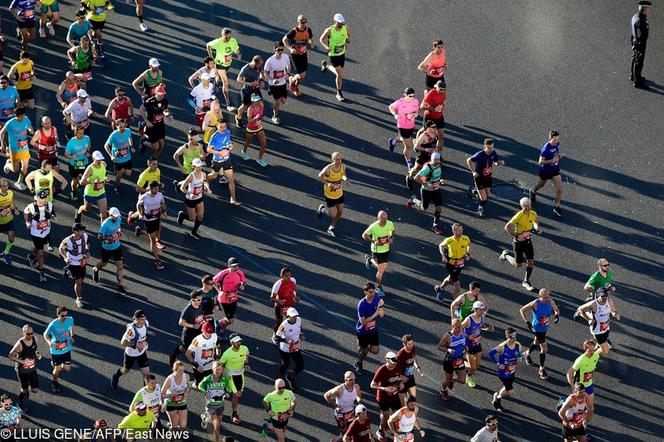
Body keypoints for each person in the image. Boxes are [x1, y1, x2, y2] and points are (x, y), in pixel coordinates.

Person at [499, 196, 541, 292]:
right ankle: (506, 255)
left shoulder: (533, 213)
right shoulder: (518, 216)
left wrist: (537, 228)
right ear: (522, 206)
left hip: (528, 241)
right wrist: (516, 236)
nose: (528, 208)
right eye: (525, 206)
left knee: (530, 262)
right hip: (518, 243)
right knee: (518, 264)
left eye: (529, 205)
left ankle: (526, 281)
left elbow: (535, 222)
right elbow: (507, 227)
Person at [519, 288, 560, 379]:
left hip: (545, 328)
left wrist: (557, 315)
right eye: (544, 297)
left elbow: (556, 309)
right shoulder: (535, 303)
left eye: (548, 297)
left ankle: (526, 354)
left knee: (536, 342)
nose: (547, 299)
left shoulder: (550, 300)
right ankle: (541, 369)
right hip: (537, 328)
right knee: (544, 349)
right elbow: (522, 310)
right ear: (540, 296)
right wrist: (527, 322)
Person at [128, 181, 167, 269]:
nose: (157, 190)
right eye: (155, 189)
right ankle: (157, 260)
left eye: (157, 189)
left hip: (157, 218)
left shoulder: (159, 195)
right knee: (153, 239)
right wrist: (141, 214)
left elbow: (162, 203)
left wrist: (164, 211)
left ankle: (140, 232)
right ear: (150, 189)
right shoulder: (144, 197)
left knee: (155, 235)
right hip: (148, 220)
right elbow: (138, 205)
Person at [406, 151, 444, 234]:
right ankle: (414, 200)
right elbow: (416, 177)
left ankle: (435, 225)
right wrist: (425, 184)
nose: (437, 162)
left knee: (439, 208)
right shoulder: (427, 168)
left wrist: (440, 181)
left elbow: (437, 177)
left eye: (438, 160)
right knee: (424, 208)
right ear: (431, 159)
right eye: (435, 160)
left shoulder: (439, 165)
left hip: (436, 189)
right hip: (426, 190)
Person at [111, 310, 150, 390]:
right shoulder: (131, 330)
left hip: (141, 353)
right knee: (125, 370)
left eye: (144, 318)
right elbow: (123, 342)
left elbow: (143, 335)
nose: (144, 320)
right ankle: (116, 375)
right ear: (136, 319)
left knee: (146, 374)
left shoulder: (146, 323)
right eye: (142, 319)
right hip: (130, 354)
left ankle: (145, 393)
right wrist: (135, 345)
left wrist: (144, 343)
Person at [575, 287, 620, 356]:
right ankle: (591, 356)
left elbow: (614, 310)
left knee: (604, 339)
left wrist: (615, 314)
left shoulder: (610, 301)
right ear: (598, 296)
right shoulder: (593, 304)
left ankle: (599, 345)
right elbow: (580, 309)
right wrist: (589, 319)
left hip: (606, 327)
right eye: (602, 296)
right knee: (605, 351)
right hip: (597, 330)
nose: (604, 298)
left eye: (606, 296)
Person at [466, 138, 505, 217]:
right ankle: (479, 210)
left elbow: (495, 162)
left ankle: (473, 191)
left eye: (492, 147)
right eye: (489, 148)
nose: (491, 149)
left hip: (488, 176)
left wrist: (500, 163)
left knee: (488, 196)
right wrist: (473, 171)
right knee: (483, 198)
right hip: (479, 178)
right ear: (485, 146)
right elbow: (468, 160)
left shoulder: (493, 153)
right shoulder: (480, 155)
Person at [92, 206, 126, 294]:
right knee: (103, 263)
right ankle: (96, 269)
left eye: (117, 215)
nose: (116, 217)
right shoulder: (105, 224)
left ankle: (121, 285)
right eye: (114, 216)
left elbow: (118, 227)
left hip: (117, 246)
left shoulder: (118, 219)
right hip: (107, 248)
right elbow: (99, 236)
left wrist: (119, 232)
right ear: (110, 215)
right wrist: (107, 239)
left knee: (120, 266)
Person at [488, 328, 524, 412]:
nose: (514, 338)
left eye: (515, 336)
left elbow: (519, 354)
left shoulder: (518, 345)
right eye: (512, 337)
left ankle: (497, 395)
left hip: (512, 371)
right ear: (507, 336)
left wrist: (520, 358)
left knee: (507, 388)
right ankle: (497, 398)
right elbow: (491, 353)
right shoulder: (502, 347)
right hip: (504, 373)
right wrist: (498, 364)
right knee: (510, 392)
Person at [529, 131, 563, 217]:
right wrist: (552, 160)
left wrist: (559, 156)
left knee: (559, 189)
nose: (556, 141)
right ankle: (533, 191)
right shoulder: (545, 149)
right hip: (545, 171)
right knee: (541, 184)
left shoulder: (557, 144)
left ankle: (557, 206)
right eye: (554, 140)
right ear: (550, 138)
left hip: (555, 170)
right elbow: (540, 161)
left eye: (557, 139)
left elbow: (556, 152)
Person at [566, 340, 601, 425]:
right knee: (578, 411)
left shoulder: (595, 355)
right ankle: (574, 425)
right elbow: (569, 373)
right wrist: (573, 387)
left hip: (589, 386)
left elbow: (603, 349)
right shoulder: (581, 360)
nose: (591, 352)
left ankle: (584, 427)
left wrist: (602, 341)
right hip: (580, 389)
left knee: (590, 409)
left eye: (593, 350)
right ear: (585, 349)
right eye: (589, 350)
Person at [370, 352, 403, 440]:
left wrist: (397, 386)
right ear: (387, 360)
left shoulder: (398, 366)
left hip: (394, 396)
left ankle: (395, 428)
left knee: (398, 413)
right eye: (393, 361)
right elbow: (372, 385)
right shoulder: (381, 370)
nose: (395, 363)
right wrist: (385, 388)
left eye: (395, 361)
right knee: (386, 416)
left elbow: (399, 379)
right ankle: (380, 431)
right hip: (383, 397)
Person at [206, 120, 240, 205]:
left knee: (231, 179)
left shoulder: (228, 132)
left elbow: (229, 142)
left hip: (227, 160)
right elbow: (208, 149)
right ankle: (204, 180)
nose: (223, 128)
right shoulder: (214, 136)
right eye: (220, 127)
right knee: (214, 176)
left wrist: (231, 145)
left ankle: (233, 199)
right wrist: (219, 152)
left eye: (224, 126)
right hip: (217, 160)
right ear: (217, 126)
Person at [23, 190, 54, 283]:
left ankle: (31, 256)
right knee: (41, 253)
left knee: (37, 248)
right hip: (36, 233)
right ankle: (42, 272)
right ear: (36, 198)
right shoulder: (31, 206)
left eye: (44, 198)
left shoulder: (49, 204)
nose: (43, 200)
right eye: (41, 198)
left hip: (46, 231)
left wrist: (52, 216)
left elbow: (52, 213)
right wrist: (27, 222)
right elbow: (25, 212)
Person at [9, 324, 42, 411]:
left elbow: (35, 350)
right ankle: (19, 402)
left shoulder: (35, 338)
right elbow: (10, 356)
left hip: (32, 368)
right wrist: (23, 362)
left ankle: (27, 388)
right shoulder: (20, 343)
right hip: (22, 370)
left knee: (35, 390)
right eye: (28, 334)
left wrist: (37, 354)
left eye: (31, 333)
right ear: (24, 333)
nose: (30, 335)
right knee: (24, 390)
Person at [362, 211, 395, 297]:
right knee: (381, 269)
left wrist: (391, 237)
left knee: (383, 268)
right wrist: (373, 241)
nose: (385, 220)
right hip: (376, 250)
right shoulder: (373, 226)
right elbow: (364, 235)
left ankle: (369, 259)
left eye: (386, 218)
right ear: (378, 218)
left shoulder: (389, 223)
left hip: (386, 249)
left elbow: (392, 230)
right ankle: (379, 287)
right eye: (383, 219)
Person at [206, 28, 241, 111]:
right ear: (222, 36)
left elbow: (236, 48)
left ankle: (214, 84)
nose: (228, 39)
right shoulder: (218, 42)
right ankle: (228, 103)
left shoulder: (233, 41)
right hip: (220, 64)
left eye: (229, 37)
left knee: (218, 79)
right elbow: (208, 45)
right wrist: (211, 57)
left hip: (228, 64)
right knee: (225, 82)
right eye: (226, 38)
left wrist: (238, 54)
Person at [219, 333, 250, 425]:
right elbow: (220, 364)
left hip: (240, 374)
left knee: (238, 394)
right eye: (236, 342)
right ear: (232, 343)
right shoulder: (227, 353)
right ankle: (234, 413)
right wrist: (220, 376)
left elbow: (246, 355)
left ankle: (226, 389)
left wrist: (246, 364)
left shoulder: (244, 348)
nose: (239, 343)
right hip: (231, 374)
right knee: (236, 393)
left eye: (239, 341)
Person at [354, 282, 384, 376]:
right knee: (365, 351)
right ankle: (359, 363)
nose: (373, 294)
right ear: (365, 292)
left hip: (373, 330)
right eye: (370, 292)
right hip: (363, 331)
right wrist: (375, 314)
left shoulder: (376, 298)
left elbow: (382, 303)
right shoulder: (361, 304)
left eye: (374, 292)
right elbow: (362, 322)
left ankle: (362, 347)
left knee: (375, 351)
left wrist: (380, 307)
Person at [434, 223, 471, 300]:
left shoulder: (465, 238)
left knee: (450, 278)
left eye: (461, 230)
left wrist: (467, 254)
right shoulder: (449, 240)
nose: (460, 232)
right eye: (458, 231)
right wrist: (443, 256)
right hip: (451, 263)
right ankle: (456, 304)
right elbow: (441, 245)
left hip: (461, 263)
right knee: (457, 285)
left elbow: (468, 246)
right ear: (454, 231)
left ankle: (440, 288)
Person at [461, 302, 494, 388]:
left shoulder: (482, 316)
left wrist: (487, 328)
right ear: (475, 310)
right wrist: (468, 336)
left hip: (477, 343)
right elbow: (458, 329)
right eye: (480, 310)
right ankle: (460, 364)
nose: (482, 311)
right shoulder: (469, 319)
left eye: (483, 310)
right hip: (469, 345)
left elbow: (480, 326)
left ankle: (467, 373)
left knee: (476, 366)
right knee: (473, 368)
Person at [43, 306, 74, 393]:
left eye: (66, 315)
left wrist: (71, 336)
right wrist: (49, 343)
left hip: (66, 348)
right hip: (56, 351)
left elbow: (71, 327)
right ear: (58, 315)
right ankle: (55, 382)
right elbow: (45, 334)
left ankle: (57, 365)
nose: (65, 317)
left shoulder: (70, 319)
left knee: (67, 369)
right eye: (63, 316)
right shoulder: (53, 324)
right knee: (58, 369)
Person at [324, 371, 362, 442]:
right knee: (345, 433)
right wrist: (336, 405)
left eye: (354, 379)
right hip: (341, 414)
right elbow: (326, 395)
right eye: (350, 380)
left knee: (352, 429)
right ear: (345, 380)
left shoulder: (356, 386)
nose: (353, 382)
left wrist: (359, 401)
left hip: (351, 412)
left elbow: (358, 395)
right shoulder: (339, 389)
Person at [316, 151, 349, 237]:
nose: (339, 161)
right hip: (329, 195)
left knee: (340, 213)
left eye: (340, 159)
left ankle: (331, 227)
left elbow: (343, 174)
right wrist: (328, 184)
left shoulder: (343, 166)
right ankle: (323, 210)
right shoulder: (328, 169)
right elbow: (319, 176)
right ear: (333, 160)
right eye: (337, 159)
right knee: (333, 215)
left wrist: (345, 179)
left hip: (339, 194)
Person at [169, 290, 205, 366]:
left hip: (198, 329)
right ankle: (173, 355)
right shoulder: (188, 309)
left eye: (201, 299)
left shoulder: (200, 304)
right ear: (193, 300)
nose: (200, 301)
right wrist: (193, 326)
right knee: (184, 348)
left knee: (198, 345)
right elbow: (180, 322)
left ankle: (197, 362)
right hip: (189, 332)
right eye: (198, 300)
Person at [319, 13, 350, 102]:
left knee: (339, 74)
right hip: (333, 54)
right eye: (339, 23)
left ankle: (327, 66)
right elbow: (321, 39)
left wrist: (347, 42)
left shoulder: (345, 27)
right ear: (335, 21)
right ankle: (338, 93)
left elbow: (348, 35)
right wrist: (326, 47)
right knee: (340, 74)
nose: (341, 24)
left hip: (342, 53)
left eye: (342, 23)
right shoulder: (329, 30)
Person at [1, 107, 33, 190]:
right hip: (14, 149)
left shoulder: (26, 119)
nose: (22, 118)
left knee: (25, 166)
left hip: (24, 147)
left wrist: (30, 129)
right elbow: (1, 133)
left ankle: (19, 182)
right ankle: (8, 165)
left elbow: (29, 125)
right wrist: (2, 145)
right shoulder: (10, 123)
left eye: (23, 115)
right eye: (20, 116)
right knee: (15, 170)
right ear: (15, 116)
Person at [198, 361, 232, 441]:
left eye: (220, 369)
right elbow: (200, 386)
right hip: (210, 405)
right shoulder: (208, 379)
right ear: (213, 369)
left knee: (217, 424)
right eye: (216, 369)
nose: (218, 371)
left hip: (220, 404)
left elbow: (229, 389)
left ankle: (206, 418)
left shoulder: (225, 379)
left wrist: (227, 392)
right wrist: (206, 393)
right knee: (217, 426)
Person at [177, 158, 210, 239]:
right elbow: (182, 188)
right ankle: (182, 216)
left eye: (201, 166)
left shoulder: (203, 174)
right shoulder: (191, 176)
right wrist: (190, 193)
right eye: (198, 166)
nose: (200, 168)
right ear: (193, 166)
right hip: (190, 199)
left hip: (199, 197)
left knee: (200, 217)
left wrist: (208, 188)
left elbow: (205, 181)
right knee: (192, 219)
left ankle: (194, 232)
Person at [59, 223, 90, 308]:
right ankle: (79, 298)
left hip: (82, 261)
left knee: (82, 279)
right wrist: (65, 258)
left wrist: (87, 251)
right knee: (79, 282)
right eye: (81, 230)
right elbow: (61, 249)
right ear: (76, 231)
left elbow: (88, 243)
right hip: (73, 263)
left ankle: (67, 270)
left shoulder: (85, 236)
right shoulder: (68, 240)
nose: (83, 231)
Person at [387, 88, 419, 169]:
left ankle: (393, 142)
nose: (411, 97)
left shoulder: (415, 101)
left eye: (413, 96)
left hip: (411, 125)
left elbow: (416, 111)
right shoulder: (400, 102)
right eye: (409, 96)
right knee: (409, 146)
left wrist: (415, 114)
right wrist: (395, 115)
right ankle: (409, 161)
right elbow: (390, 106)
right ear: (405, 95)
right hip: (402, 126)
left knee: (402, 139)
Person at [283, 15, 314, 96]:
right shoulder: (294, 31)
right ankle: (293, 83)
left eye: (304, 22)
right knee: (301, 74)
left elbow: (311, 39)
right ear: (298, 22)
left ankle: (293, 83)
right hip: (296, 55)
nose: (303, 23)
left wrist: (310, 44)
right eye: (301, 22)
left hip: (304, 54)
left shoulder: (308, 30)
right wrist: (290, 49)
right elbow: (284, 39)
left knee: (303, 76)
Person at [436, 319, 467, 400]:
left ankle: (452, 380)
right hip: (450, 360)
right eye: (458, 327)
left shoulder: (462, 333)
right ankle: (443, 390)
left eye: (461, 326)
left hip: (459, 360)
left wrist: (465, 348)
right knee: (447, 380)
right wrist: (448, 350)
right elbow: (439, 346)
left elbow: (463, 343)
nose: (460, 328)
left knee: (463, 380)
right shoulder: (448, 336)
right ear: (453, 326)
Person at [275, 307, 304, 391]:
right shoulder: (284, 325)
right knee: (285, 365)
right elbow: (276, 338)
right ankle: (279, 379)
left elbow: (299, 327)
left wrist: (301, 333)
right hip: (285, 349)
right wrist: (286, 340)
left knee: (300, 366)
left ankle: (290, 377)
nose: (294, 317)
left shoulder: (299, 320)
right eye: (292, 316)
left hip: (295, 347)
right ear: (288, 316)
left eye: (295, 316)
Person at [214, 257, 247, 330]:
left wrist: (242, 284)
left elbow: (243, 281)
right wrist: (219, 291)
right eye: (234, 266)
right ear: (229, 266)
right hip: (224, 299)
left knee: (230, 319)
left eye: (237, 265)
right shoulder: (223, 273)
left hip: (234, 297)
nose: (236, 267)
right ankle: (219, 327)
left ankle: (219, 325)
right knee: (231, 320)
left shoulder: (239, 272)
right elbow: (213, 281)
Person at [138, 84, 171, 157]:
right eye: (159, 94)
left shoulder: (165, 101)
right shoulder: (150, 101)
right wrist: (147, 121)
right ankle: (144, 142)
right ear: (155, 93)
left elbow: (165, 110)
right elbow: (140, 109)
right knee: (156, 147)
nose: (162, 96)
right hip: (151, 126)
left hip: (160, 125)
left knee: (161, 145)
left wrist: (168, 115)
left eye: (163, 94)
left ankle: (154, 159)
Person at [76, 150, 108, 223]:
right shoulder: (90, 169)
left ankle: (102, 234)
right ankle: (78, 212)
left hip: (101, 193)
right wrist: (93, 181)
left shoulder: (104, 164)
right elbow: (81, 182)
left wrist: (105, 178)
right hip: (90, 194)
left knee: (104, 215)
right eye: (97, 160)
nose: (99, 161)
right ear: (93, 159)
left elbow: (103, 172)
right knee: (86, 209)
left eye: (100, 159)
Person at [263, 41, 291, 125]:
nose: (280, 52)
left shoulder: (285, 57)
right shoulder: (270, 60)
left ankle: (270, 91)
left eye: (282, 50)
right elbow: (265, 72)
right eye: (278, 50)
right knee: (278, 102)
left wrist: (288, 74)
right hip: (274, 84)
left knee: (284, 101)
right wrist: (272, 79)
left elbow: (289, 66)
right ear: (274, 50)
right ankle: (275, 116)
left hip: (282, 83)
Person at [186, 321, 220, 389]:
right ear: (202, 330)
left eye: (210, 332)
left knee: (210, 383)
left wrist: (218, 353)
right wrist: (196, 366)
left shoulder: (214, 336)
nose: (208, 334)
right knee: (198, 386)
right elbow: (188, 353)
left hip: (211, 366)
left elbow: (218, 345)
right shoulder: (197, 340)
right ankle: (194, 384)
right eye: (206, 332)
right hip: (199, 367)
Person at [104, 118, 134, 194]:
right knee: (119, 174)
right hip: (117, 159)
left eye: (123, 126)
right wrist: (111, 156)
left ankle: (119, 171)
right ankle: (117, 185)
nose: (122, 129)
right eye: (120, 127)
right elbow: (106, 146)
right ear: (116, 126)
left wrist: (131, 146)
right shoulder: (113, 135)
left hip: (127, 156)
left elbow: (130, 138)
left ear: (125, 125)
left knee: (129, 173)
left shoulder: (128, 131)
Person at [406, 120, 438, 188]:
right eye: (433, 127)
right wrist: (426, 149)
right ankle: (409, 178)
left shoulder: (435, 133)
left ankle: (429, 183)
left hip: (431, 156)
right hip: (423, 155)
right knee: (416, 169)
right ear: (428, 128)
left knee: (431, 169)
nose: (435, 128)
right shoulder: (424, 136)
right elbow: (416, 146)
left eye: (435, 126)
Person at [81, 0, 113, 67]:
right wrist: (90, 10)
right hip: (92, 19)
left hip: (101, 19)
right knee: (100, 38)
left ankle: (91, 40)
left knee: (95, 35)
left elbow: (107, 2)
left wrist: (106, 6)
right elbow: (82, 2)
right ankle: (102, 57)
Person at [63, 125, 90, 199]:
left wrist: (87, 152)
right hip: (74, 164)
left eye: (83, 133)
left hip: (84, 162)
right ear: (75, 133)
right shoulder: (71, 142)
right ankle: (73, 192)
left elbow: (88, 145)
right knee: (75, 179)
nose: (82, 135)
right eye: (80, 133)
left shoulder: (87, 138)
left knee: (86, 178)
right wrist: (72, 157)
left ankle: (81, 186)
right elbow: (65, 154)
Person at [235, 55, 263, 127]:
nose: (260, 66)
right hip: (247, 90)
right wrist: (249, 83)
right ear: (255, 62)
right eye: (259, 64)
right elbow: (238, 79)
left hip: (256, 89)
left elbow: (260, 73)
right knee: (245, 106)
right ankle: (238, 118)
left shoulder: (258, 66)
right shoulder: (245, 69)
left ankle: (256, 120)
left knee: (260, 103)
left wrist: (261, 81)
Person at [161, 361, 190, 429]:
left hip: (182, 403)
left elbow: (188, 386)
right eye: (180, 370)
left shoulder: (186, 376)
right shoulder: (170, 379)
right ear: (174, 370)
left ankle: (174, 421)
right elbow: (162, 394)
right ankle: (172, 432)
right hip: (171, 403)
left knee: (183, 425)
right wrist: (171, 395)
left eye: (183, 370)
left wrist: (187, 390)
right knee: (174, 427)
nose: (182, 372)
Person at [241, 94, 268, 166]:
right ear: (253, 102)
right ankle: (244, 151)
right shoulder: (250, 109)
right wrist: (256, 118)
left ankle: (260, 159)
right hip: (251, 128)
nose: (259, 102)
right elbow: (249, 121)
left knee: (264, 144)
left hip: (259, 127)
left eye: (259, 100)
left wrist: (260, 118)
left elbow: (261, 115)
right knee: (248, 141)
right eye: (257, 101)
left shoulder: (262, 105)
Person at [631, 1, 652, 89]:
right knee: (638, 62)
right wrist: (639, 44)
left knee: (635, 59)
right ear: (644, 9)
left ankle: (634, 76)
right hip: (639, 44)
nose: (650, 10)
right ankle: (637, 82)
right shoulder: (641, 21)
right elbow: (641, 35)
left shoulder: (636, 16)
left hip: (635, 40)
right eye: (649, 9)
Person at [270, 267, 299, 333]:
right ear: (281, 276)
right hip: (280, 306)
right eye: (286, 276)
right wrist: (279, 301)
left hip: (289, 304)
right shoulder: (277, 285)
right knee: (279, 322)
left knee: (293, 319)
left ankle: (291, 333)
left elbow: (294, 289)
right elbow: (272, 298)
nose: (289, 277)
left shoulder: (293, 280)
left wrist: (295, 296)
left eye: (290, 275)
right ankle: (276, 335)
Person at [395, 334, 424, 399]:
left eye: (412, 343)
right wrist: (401, 376)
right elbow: (394, 367)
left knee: (413, 397)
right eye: (409, 344)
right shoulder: (400, 354)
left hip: (410, 376)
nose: (411, 345)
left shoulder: (412, 348)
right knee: (403, 400)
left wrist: (418, 367)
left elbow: (413, 357)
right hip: (402, 379)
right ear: (404, 344)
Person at [420, 79, 446, 150]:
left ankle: (437, 155)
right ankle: (417, 144)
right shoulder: (431, 93)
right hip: (429, 117)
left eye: (443, 89)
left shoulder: (443, 92)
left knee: (441, 137)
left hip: (439, 117)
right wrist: (433, 109)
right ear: (436, 87)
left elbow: (443, 101)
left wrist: (443, 105)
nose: (442, 91)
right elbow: (422, 106)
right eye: (440, 89)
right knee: (426, 136)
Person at [0, 178, 20, 264]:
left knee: (11, 238)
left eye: (7, 185)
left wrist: (15, 209)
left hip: (9, 220)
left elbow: (11, 202)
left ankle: (6, 252)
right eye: (4, 186)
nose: (6, 187)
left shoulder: (10, 193)